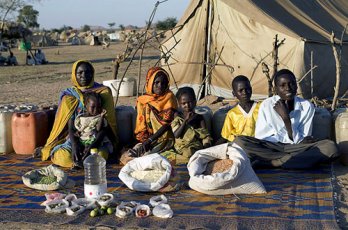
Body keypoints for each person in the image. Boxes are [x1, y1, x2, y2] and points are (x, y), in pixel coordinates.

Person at [234, 69, 338, 169]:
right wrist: (284, 144)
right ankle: (292, 160)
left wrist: (286, 119)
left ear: (296, 86)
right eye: (282, 85)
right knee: (239, 142)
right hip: (272, 147)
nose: (288, 88)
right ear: (275, 89)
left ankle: (273, 163)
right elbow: (262, 137)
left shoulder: (306, 106)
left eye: (291, 84)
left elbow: (304, 140)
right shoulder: (267, 105)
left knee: (330, 147)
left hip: (296, 148)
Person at [40, 60, 118, 168]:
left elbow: (107, 126)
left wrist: (92, 145)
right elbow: (70, 127)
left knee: (100, 156)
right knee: (64, 157)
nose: (84, 76)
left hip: (97, 139)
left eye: (88, 72)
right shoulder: (68, 97)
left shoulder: (103, 92)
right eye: (79, 73)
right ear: (74, 75)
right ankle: (77, 163)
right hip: (74, 138)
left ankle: (83, 162)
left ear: (93, 73)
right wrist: (75, 145)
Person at [125, 67, 178, 162]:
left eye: (163, 83)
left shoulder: (169, 98)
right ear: (150, 83)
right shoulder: (144, 100)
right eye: (156, 82)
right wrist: (142, 142)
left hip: (165, 139)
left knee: (146, 158)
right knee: (130, 156)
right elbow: (141, 126)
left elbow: (166, 125)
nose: (160, 86)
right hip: (148, 139)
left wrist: (149, 141)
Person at [161, 87, 212, 164]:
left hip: (193, 146)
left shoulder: (199, 117)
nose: (187, 105)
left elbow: (205, 135)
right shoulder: (177, 116)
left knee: (190, 153)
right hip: (180, 147)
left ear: (195, 102)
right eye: (184, 103)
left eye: (190, 102)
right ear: (179, 103)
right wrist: (185, 121)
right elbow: (176, 134)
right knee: (164, 156)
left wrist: (206, 146)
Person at [69, 92, 114, 169]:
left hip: (93, 141)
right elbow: (77, 128)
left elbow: (99, 129)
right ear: (86, 106)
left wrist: (102, 117)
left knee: (94, 152)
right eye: (93, 107)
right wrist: (77, 132)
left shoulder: (98, 117)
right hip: (82, 139)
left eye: (98, 107)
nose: (96, 110)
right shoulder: (80, 117)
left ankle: (83, 160)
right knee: (74, 151)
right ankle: (78, 162)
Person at [218, 75, 261, 144]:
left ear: (251, 89)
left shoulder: (261, 107)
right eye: (241, 90)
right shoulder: (232, 114)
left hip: (258, 142)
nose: (245, 92)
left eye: (247, 89)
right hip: (239, 144)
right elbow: (225, 136)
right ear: (234, 93)